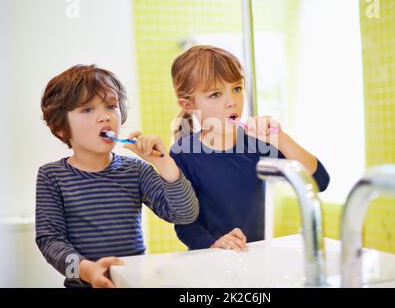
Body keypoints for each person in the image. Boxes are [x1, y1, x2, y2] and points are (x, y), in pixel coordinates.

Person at [36, 64, 199, 287]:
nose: (104, 117)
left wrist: (165, 164)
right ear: (60, 128)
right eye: (87, 109)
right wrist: (87, 271)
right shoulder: (51, 176)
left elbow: (184, 215)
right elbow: (50, 243)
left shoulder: (136, 171)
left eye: (111, 106)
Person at [170, 45, 330, 252]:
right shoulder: (182, 154)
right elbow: (185, 223)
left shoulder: (258, 143)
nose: (232, 102)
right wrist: (213, 244)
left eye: (237, 88)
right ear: (188, 105)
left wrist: (281, 138)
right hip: (210, 261)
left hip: (258, 257)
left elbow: (319, 181)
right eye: (215, 94)